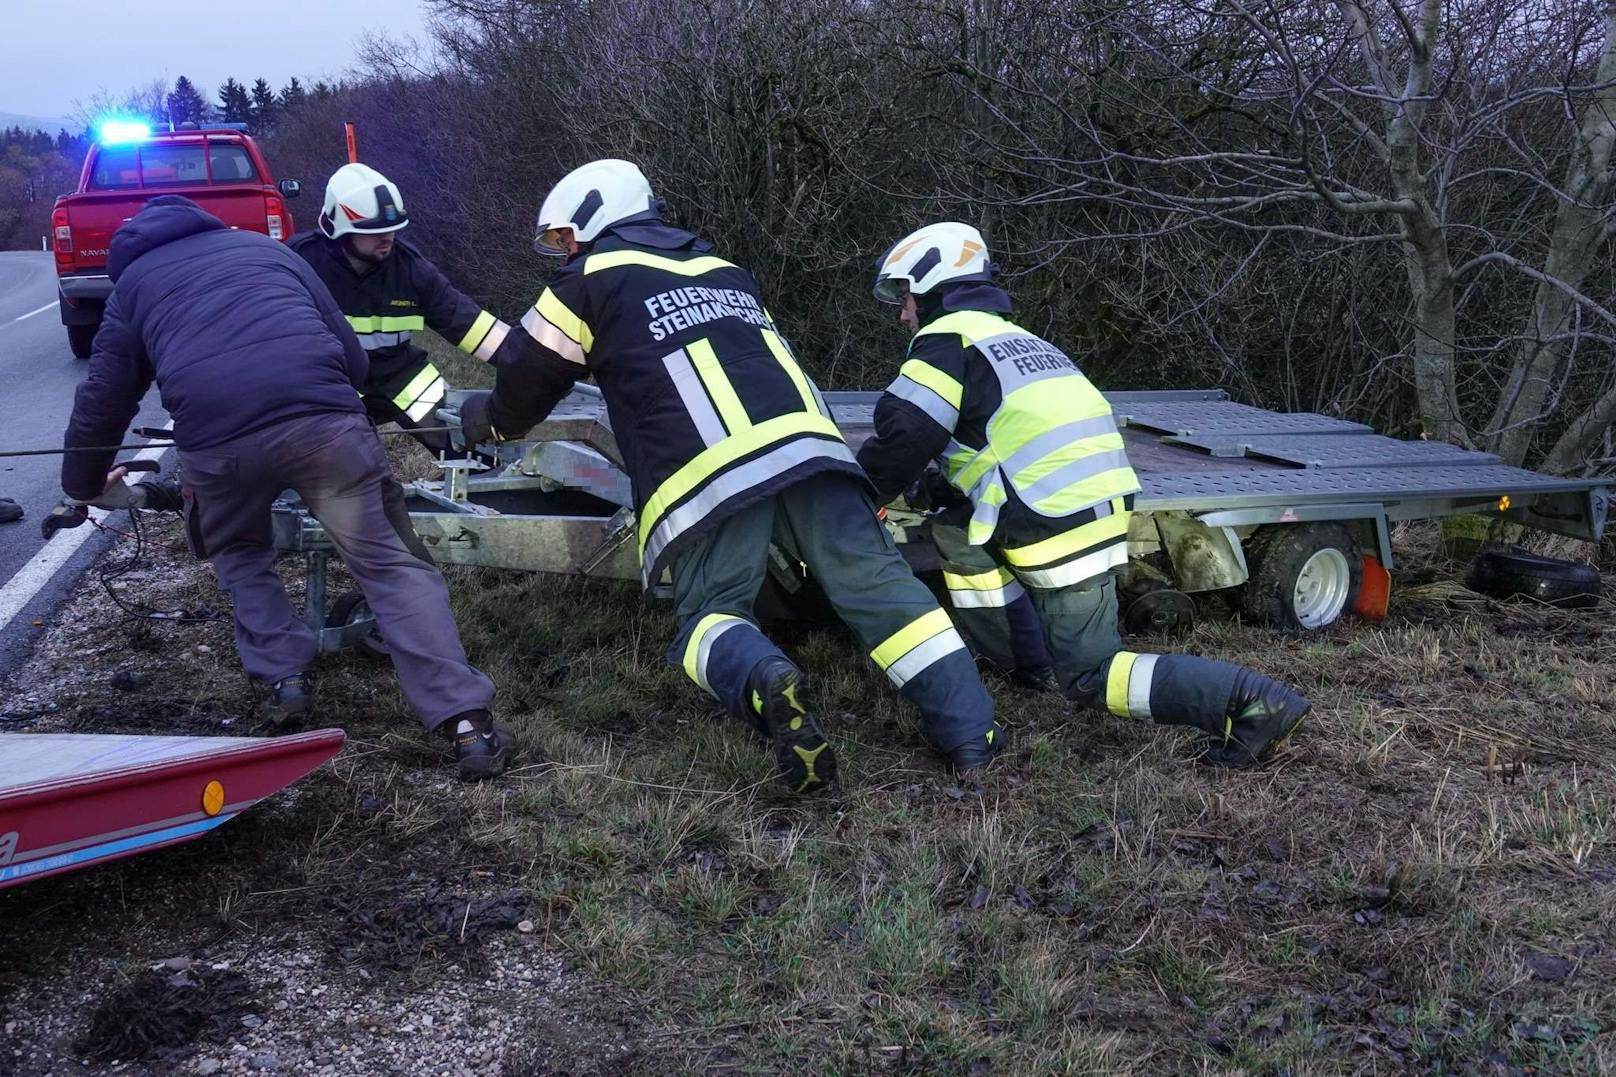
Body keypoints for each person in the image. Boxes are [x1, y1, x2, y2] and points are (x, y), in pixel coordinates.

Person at [457, 160, 999, 791]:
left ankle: (765, 679)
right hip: (812, 448)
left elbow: (528, 376)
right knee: (883, 590)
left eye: (563, 238)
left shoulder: (589, 279)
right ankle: (971, 733)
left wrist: (486, 422)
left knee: (708, 616)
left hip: (707, 471)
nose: (563, 252)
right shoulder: (727, 272)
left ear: (591, 222)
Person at [60, 195, 511, 780]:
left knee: (242, 552)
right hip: (325, 434)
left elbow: (103, 399)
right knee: (390, 567)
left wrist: (85, 482)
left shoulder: (133, 287)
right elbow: (351, 357)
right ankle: (467, 724)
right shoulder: (267, 251)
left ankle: (284, 681)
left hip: (216, 449)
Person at [856, 222, 1309, 766]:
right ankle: (1027, 661)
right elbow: (1001, 438)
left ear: (933, 284)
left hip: (1053, 518)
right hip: (1091, 506)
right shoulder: (1019, 341)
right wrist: (940, 485)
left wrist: (861, 495)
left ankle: (1252, 701)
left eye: (904, 297)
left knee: (1093, 675)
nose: (902, 313)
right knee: (956, 529)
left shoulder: (947, 340)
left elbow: (906, 432)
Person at [288, 163, 536, 456]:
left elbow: (470, 325)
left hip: (403, 377)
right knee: (342, 468)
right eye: (374, 230)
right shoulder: (299, 264)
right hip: (333, 382)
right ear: (336, 229)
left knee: (471, 450)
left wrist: (532, 363)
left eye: (393, 229)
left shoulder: (410, 270)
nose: (388, 238)